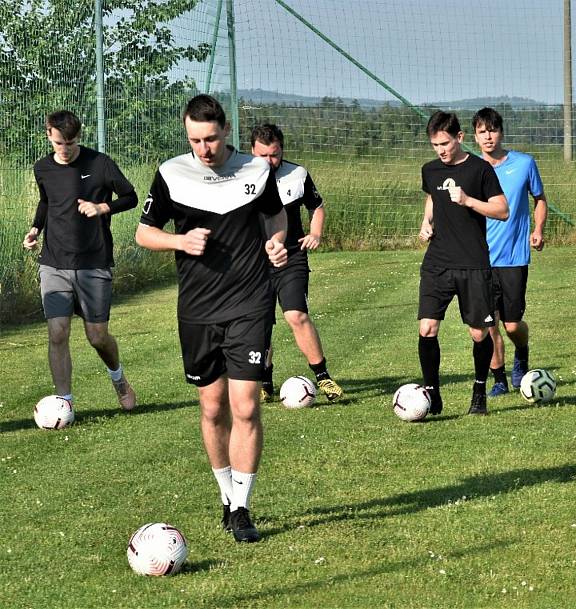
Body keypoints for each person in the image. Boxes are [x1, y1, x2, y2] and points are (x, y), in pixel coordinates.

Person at [135, 95, 288, 543]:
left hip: (249, 303)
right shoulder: (170, 174)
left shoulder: (257, 171)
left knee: (245, 406)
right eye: (195, 140)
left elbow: (275, 215)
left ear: (226, 132)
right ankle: (225, 495)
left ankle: (242, 508)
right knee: (212, 406)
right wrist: (180, 242)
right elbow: (144, 233)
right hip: (198, 310)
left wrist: (276, 241)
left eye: (212, 138)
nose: (204, 148)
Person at [22, 110, 138, 412]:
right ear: (49, 134)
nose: (65, 148)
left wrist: (102, 207)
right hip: (54, 262)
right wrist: (36, 228)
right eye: (60, 142)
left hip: (93, 262)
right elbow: (47, 201)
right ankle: (65, 402)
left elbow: (130, 197)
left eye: (71, 142)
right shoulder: (42, 168)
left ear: (79, 136)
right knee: (57, 332)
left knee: (97, 337)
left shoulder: (99, 164)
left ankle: (119, 379)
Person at [418, 111, 509, 416]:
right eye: (435, 145)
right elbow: (432, 196)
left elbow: (502, 210)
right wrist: (426, 222)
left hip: (473, 263)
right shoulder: (430, 171)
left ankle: (479, 391)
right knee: (427, 328)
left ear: (459, 138)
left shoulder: (480, 170)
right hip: (437, 262)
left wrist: (469, 200)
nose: (440, 150)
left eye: (445, 143)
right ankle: (432, 394)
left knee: (479, 334)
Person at [250, 124, 343, 403]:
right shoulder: (238, 179)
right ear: (251, 151)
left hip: (291, 258)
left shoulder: (298, 174)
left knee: (296, 315)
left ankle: (323, 376)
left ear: (282, 151)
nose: (270, 161)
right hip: (254, 265)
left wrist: (315, 233)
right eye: (263, 155)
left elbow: (317, 206)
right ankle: (264, 381)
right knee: (260, 323)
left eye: (275, 155)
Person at [471, 107, 548, 396]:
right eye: (482, 131)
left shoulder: (524, 164)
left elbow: (540, 199)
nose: (488, 136)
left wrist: (538, 230)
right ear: (475, 137)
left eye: (492, 130)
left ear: (501, 132)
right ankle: (499, 379)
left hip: (514, 258)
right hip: (480, 259)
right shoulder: (472, 169)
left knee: (513, 325)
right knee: (489, 325)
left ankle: (522, 352)